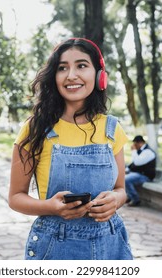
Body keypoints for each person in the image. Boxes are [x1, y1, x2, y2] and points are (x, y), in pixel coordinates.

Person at [9, 38, 133, 260]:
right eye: (62, 68)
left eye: (82, 65)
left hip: (110, 246)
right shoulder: (35, 129)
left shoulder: (112, 129)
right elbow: (15, 197)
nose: (71, 75)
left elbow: (121, 188)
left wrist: (115, 200)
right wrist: (51, 207)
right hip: (55, 248)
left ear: (99, 76)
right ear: (53, 77)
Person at [125, 135, 156, 207]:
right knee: (122, 176)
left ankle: (135, 199)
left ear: (140, 143)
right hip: (138, 173)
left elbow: (137, 162)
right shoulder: (141, 151)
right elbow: (133, 164)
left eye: (135, 144)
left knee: (126, 180)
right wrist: (127, 169)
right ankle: (129, 196)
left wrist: (133, 151)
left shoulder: (148, 152)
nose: (134, 146)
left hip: (146, 176)